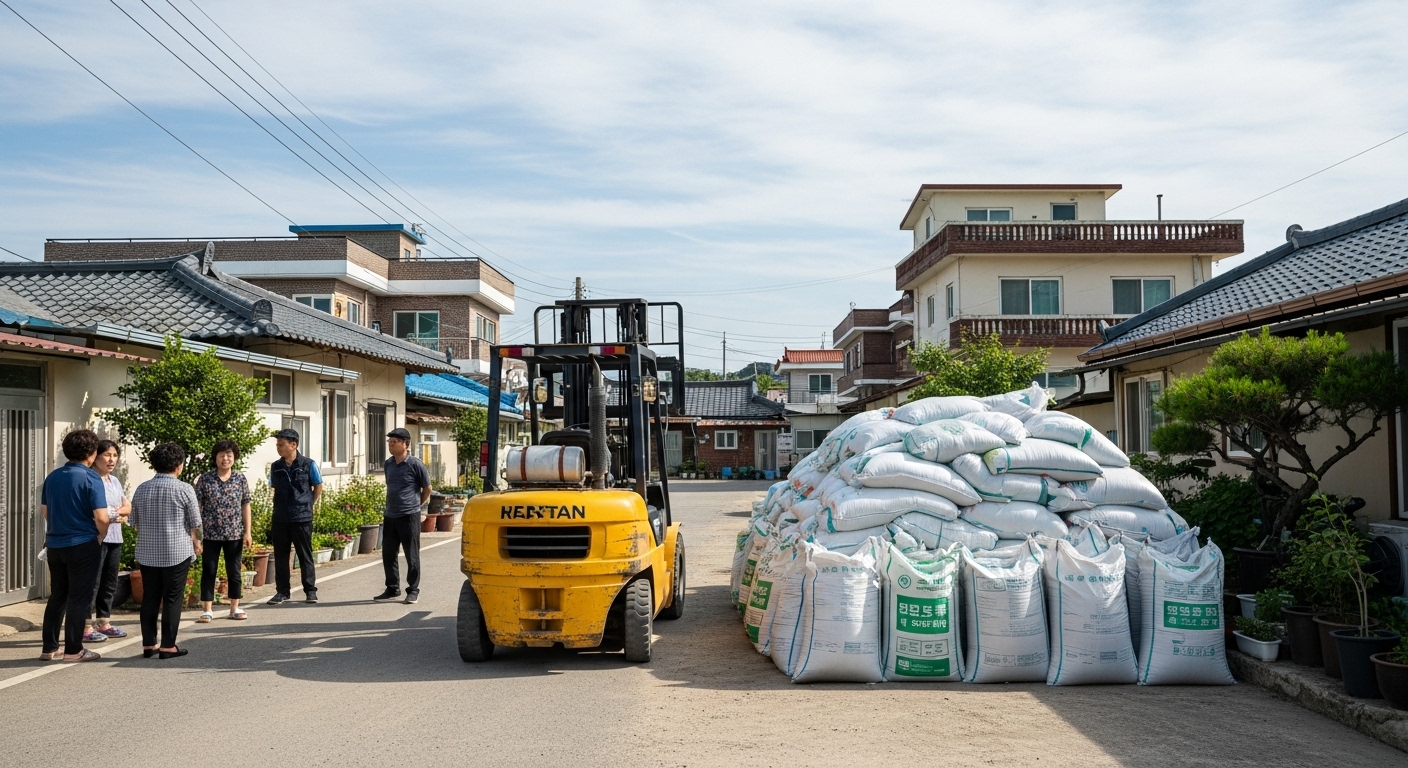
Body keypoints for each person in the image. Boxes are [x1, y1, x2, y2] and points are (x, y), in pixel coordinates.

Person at [38, 429, 112, 662]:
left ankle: (49, 648)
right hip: (82, 543)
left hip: (55, 544)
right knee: (79, 598)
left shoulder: (53, 476)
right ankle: (73, 650)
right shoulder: (92, 478)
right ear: (91, 453)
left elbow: (45, 511)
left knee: (58, 595)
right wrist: (100, 536)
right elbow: (101, 517)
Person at [130, 442, 202, 659]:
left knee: (150, 597)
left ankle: (149, 644)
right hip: (176, 552)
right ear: (179, 466)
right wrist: (197, 542)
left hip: (147, 552)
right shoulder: (184, 489)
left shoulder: (142, 488)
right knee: (172, 598)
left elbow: (133, 522)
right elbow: (195, 522)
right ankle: (168, 646)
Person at [195, 439, 253, 622]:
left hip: (234, 533)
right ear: (215, 458)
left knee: (234, 571)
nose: (225, 459)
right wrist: (196, 535)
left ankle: (234, 607)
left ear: (234, 458)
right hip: (210, 534)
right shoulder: (205, 479)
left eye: (229, 455)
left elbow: (246, 505)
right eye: (222, 455)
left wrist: (247, 532)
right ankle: (207, 609)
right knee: (209, 570)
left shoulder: (240, 478)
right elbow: (197, 507)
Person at [374, 428, 431, 605]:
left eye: (395, 442)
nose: (391, 445)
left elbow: (427, 488)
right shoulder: (388, 464)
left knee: (411, 555)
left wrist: (416, 505)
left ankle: (413, 590)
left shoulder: (415, 464)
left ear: (406, 444)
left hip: (409, 515)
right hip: (390, 515)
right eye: (389, 442)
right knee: (389, 554)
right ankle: (392, 588)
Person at [268, 428, 322, 605]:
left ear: (293, 445)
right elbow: (273, 488)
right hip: (281, 518)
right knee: (281, 556)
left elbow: (317, 487)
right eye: (277, 444)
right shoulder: (276, 466)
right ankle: (282, 592)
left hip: (302, 518)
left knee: (304, 555)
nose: (278, 448)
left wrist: (307, 505)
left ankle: (310, 591)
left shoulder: (308, 464)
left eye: (281, 444)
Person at [85, 440, 130, 642]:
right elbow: (95, 513)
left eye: (114, 455)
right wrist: (115, 514)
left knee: (109, 582)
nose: (112, 460)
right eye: (107, 455)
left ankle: (103, 622)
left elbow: (127, 508)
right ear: (96, 456)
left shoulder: (115, 481)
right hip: (95, 537)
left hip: (115, 537)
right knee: (92, 581)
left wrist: (115, 514)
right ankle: (85, 625)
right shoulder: (90, 479)